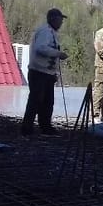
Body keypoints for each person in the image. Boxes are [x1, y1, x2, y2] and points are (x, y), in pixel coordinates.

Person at [20, 8, 69, 136]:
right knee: (36, 100)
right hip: (38, 72)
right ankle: (27, 127)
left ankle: (45, 126)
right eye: (60, 20)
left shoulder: (51, 32)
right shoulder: (45, 32)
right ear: (53, 19)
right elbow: (40, 48)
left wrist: (54, 73)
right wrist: (58, 53)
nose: (61, 23)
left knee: (47, 102)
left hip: (47, 73)